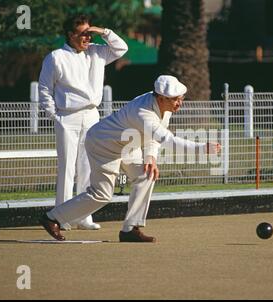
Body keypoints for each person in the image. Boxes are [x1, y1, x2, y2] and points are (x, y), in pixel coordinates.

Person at [39, 75, 221, 242]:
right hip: (103, 144)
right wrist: (201, 148)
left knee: (146, 175)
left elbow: (153, 137)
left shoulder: (165, 107)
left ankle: (130, 229)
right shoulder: (143, 112)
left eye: (181, 98)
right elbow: (166, 139)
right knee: (102, 195)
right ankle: (52, 218)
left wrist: (150, 156)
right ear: (161, 98)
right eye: (175, 99)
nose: (179, 103)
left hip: (128, 143)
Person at [38, 14, 128, 230]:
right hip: (66, 116)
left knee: (89, 167)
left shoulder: (97, 52)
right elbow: (44, 89)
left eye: (90, 33)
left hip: (92, 116)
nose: (88, 38)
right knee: (67, 168)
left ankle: (83, 216)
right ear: (70, 34)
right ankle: (60, 217)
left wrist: (103, 31)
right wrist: (55, 116)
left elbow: (121, 48)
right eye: (83, 34)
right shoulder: (55, 57)